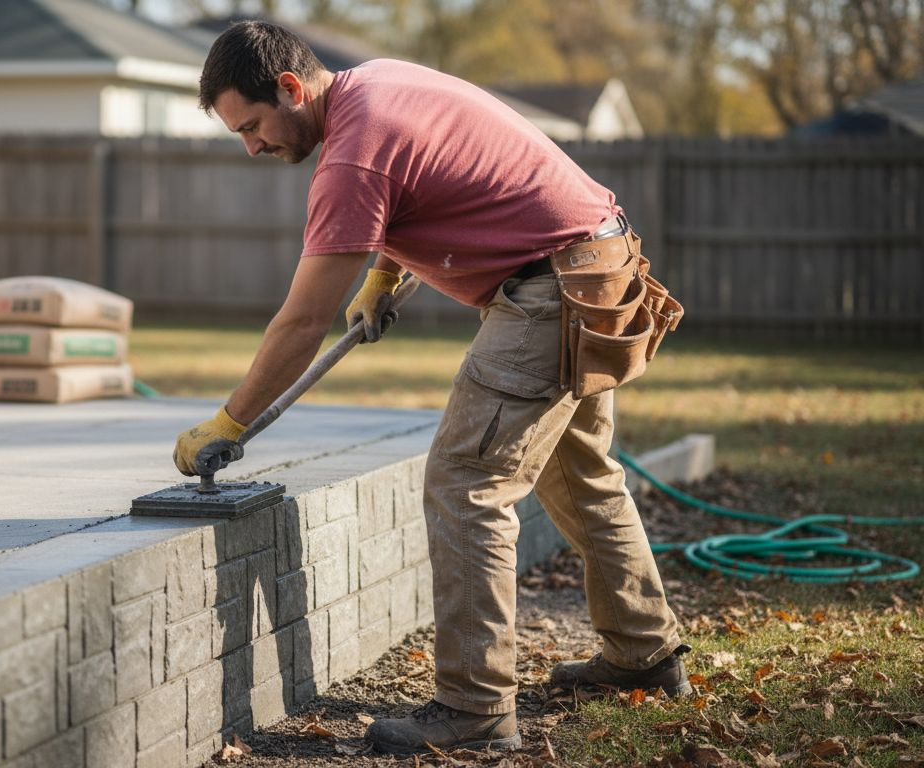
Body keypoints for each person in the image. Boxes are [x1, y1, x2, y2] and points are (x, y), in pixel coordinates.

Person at [173, 20, 690, 754]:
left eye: (252, 126)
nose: (251, 146)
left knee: (465, 482)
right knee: (581, 474)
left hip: (553, 290)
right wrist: (383, 274)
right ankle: (646, 655)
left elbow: (302, 321)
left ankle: (475, 708)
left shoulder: (351, 156)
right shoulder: (376, 85)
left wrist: (228, 422)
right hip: (595, 267)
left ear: (290, 88)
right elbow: (430, 174)